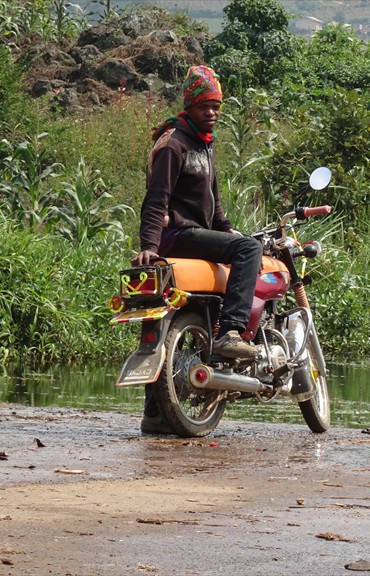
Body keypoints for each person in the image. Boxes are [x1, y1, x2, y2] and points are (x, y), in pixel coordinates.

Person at [133, 65, 263, 433]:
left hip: (198, 232)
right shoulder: (174, 144)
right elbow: (155, 201)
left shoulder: (205, 144)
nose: (212, 112)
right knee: (250, 250)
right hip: (177, 237)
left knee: (172, 316)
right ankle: (232, 332)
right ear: (188, 106)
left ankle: (156, 415)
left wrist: (229, 232)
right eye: (205, 106)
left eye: (217, 106)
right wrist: (148, 246)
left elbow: (214, 207)